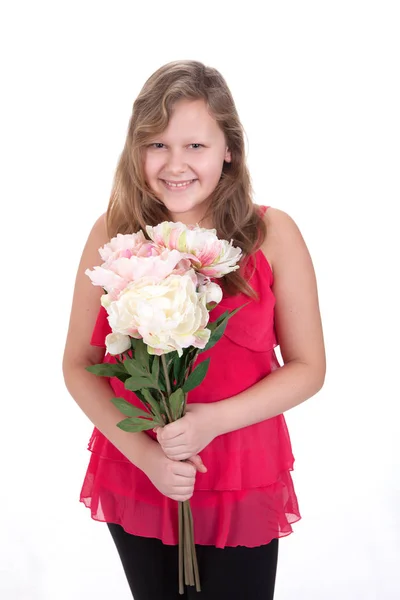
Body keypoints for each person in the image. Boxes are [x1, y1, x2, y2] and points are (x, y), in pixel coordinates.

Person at [62, 60, 326, 600]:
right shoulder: (115, 231)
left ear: (229, 148)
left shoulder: (272, 233)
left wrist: (213, 420)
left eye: (195, 146)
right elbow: (79, 366)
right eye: (156, 144)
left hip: (240, 470)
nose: (174, 164)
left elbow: (309, 368)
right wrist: (149, 459)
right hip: (140, 465)